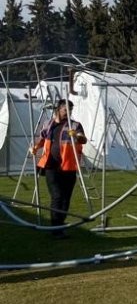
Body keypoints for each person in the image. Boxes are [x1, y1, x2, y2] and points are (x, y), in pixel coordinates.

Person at [31, 99, 87, 238]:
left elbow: (83, 139)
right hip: (51, 167)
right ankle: (56, 229)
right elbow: (41, 139)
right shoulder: (48, 125)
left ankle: (60, 226)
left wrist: (78, 136)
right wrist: (35, 147)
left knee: (65, 198)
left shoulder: (75, 125)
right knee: (57, 196)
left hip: (68, 167)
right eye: (65, 110)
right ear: (58, 109)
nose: (68, 113)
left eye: (70, 110)